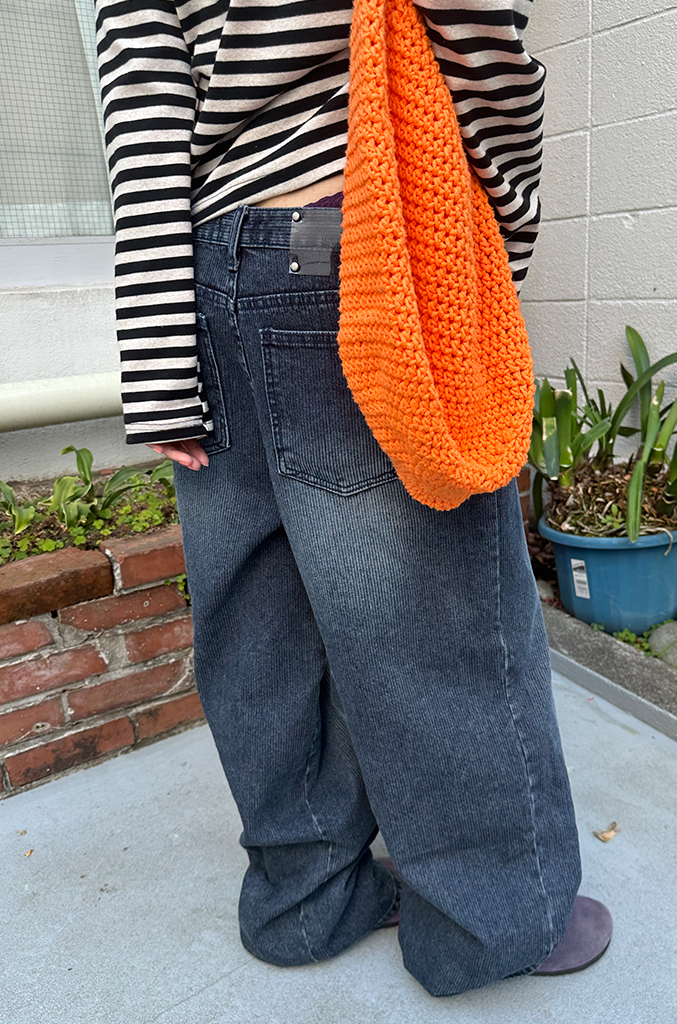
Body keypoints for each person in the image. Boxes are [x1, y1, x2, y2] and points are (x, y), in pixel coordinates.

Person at [94, 0, 611, 998]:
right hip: (361, 243)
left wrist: (157, 348)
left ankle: (303, 900)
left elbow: (141, 79)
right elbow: (473, 30)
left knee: (258, 617)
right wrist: (497, 230)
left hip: (207, 274)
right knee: (438, 617)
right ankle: (493, 920)